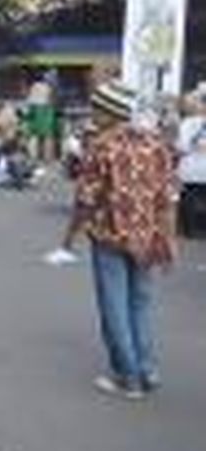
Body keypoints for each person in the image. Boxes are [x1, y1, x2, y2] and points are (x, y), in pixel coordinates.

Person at [56, 81, 177, 399]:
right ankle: (147, 368)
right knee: (140, 303)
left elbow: (86, 199)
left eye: (97, 108)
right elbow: (168, 196)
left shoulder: (101, 145)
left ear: (109, 111)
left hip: (110, 236)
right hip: (147, 236)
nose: (94, 113)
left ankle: (128, 376)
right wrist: (167, 237)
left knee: (114, 306)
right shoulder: (155, 143)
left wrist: (69, 237)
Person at [176, 88, 206, 236]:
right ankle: (195, 229)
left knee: (190, 198)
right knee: (193, 198)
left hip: (194, 169)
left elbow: (180, 145)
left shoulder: (187, 123)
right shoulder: (188, 123)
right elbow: (181, 145)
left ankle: (192, 229)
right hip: (194, 168)